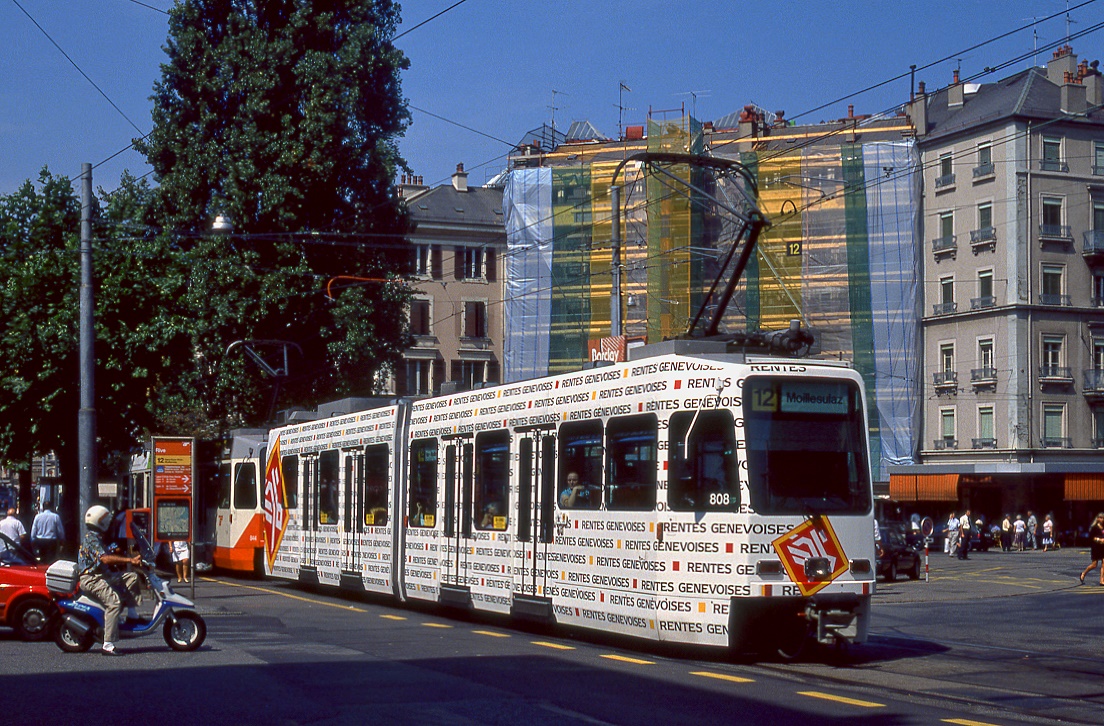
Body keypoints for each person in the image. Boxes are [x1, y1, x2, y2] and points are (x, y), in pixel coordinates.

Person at [78, 505, 143, 657]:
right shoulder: (91, 538)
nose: (110, 523)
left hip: (103, 576)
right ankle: (108, 644)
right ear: (101, 521)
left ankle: (132, 615)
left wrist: (123, 552)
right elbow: (105, 558)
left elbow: (108, 551)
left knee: (131, 578)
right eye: (107, 520)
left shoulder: (98, 537)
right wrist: (129, 560)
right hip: (91, 578)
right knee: (114, 603)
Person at [1079, 513, 1104, 586]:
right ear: (1097, 519)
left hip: (1103, 548)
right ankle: (1083, 573)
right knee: (1094, 565)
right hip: (1096, 547)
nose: (1101, 519)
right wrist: (1099, 540)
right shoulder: (1094, 527)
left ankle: (1102, 580)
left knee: (1103, 563)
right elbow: (1091, 538)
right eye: (1100, 517)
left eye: (1102, 518)